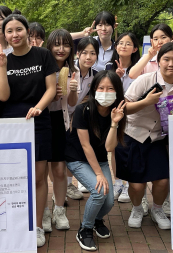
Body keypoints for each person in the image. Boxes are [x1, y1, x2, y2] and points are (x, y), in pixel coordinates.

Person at [0, 13, 58, 248]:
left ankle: (38, 225)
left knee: (39, 177)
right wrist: (1, 66)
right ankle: (16, 223)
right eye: (9, 31)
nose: (14, 35)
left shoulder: (43, 55)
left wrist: (38, 108)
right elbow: (2, 96)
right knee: (15, 176)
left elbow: (51, 89)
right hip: (11, 125)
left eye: (18, 29)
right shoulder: (5, 59)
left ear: (27, 31)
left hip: (38, 121)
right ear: (5, 35)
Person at [116, 42, 173, 230]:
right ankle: (138, 208)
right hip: (134, 135)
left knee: (163, 180)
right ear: (158, 61)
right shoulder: (144, 80)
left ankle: (157, 209)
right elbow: (124, 108)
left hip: (157, 138)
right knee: (137, 185)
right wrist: (146, 101)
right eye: (166, 59)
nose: (171, 64)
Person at [65, 71, 127, 251]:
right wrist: (99, 174)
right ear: (93, 89)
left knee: (109, 201)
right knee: (99, 192)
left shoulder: (118, 111)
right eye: (101, 88)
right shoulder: (82, 110)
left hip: (100, 159)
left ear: (117, 92)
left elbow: (109, 147)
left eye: (110, 89)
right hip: (77, 158)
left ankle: (96, 220)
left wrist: (115, 123)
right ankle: (85, 229)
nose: (105, 92)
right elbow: (85, 146)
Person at [43, 29, 79, 231]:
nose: (61, 49)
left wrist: (72, 90)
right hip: (42, 119)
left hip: (60, 121)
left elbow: (72, 104)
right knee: (41, 170)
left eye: (66, 45)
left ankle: (59, 209)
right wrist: (50, 94)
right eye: (57, 44)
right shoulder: (41, 67)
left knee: (58, 169)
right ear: (50, 46)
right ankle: (44, 211)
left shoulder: (74, 70)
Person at [106, 32, 141, 204]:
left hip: (135, 115)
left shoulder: (140, 68)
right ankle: (118, 182)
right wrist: (117, 78)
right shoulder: (109, 67)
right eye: (120, 43)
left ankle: (128, 184)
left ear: (135, 48)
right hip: (115, 113)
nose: (123, 46)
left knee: (130, 149)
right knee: (115, 149)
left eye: (128, 43)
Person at [68, 37, 100, 197]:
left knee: (75, 149)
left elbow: (90, 98)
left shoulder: (95, 76)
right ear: (77, 54)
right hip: (60, 116)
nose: (88, 57)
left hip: (77, 118)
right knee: (61, 155)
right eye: (85, 53)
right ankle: (66, 185)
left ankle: (74, 182)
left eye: (93, 53)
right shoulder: (68, 71)